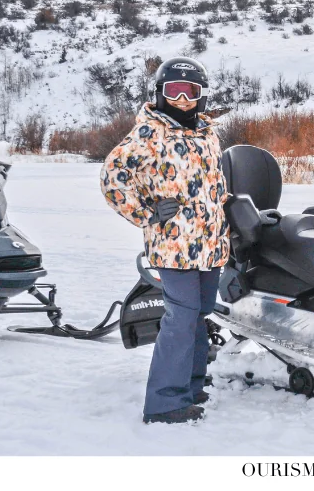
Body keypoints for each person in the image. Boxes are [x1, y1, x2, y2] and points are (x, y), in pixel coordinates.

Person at [100, 57, 229, 425]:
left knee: (200, 316)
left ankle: (191, 386)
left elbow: (213, 183)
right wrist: (146, 214)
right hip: (173, 244)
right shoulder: (151, 132)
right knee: (181, 318)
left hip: (210, 245)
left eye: (192, 91)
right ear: (160, 93)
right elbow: (114, 177)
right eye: (175, 91)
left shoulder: (206, 131)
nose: (184, 99)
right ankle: (164, 403)